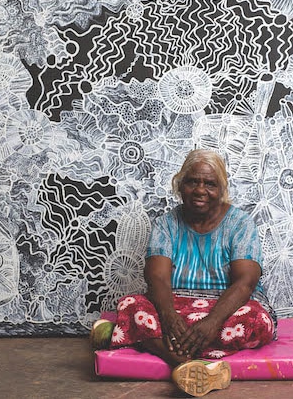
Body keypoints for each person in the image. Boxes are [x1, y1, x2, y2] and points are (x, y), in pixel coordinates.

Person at [91, 149, 277, 397]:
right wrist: (168, 317)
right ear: (180, 185)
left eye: (210, 184)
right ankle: (194, 364)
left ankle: (140, 341)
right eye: (192, 181)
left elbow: (246, 282)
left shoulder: (240, 223)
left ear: (222, 189)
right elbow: (157, 277)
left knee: (256, 319)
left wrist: (211, 323)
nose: (200, 190)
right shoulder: (166, 223)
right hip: (175, 307)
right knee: (131, 304)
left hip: (226, 309)